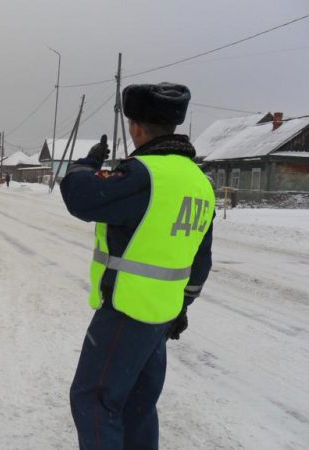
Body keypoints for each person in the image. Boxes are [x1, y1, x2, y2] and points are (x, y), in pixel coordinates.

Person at [59, 83, 214, 449]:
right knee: (137, 407)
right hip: (161, 317)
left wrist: (87, 162)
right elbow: (201, 259)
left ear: (136, 128)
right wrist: (182, 306)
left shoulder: (145, 174)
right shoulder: (200, 181)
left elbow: (81, 197)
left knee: (94, 400)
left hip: (126, 313)